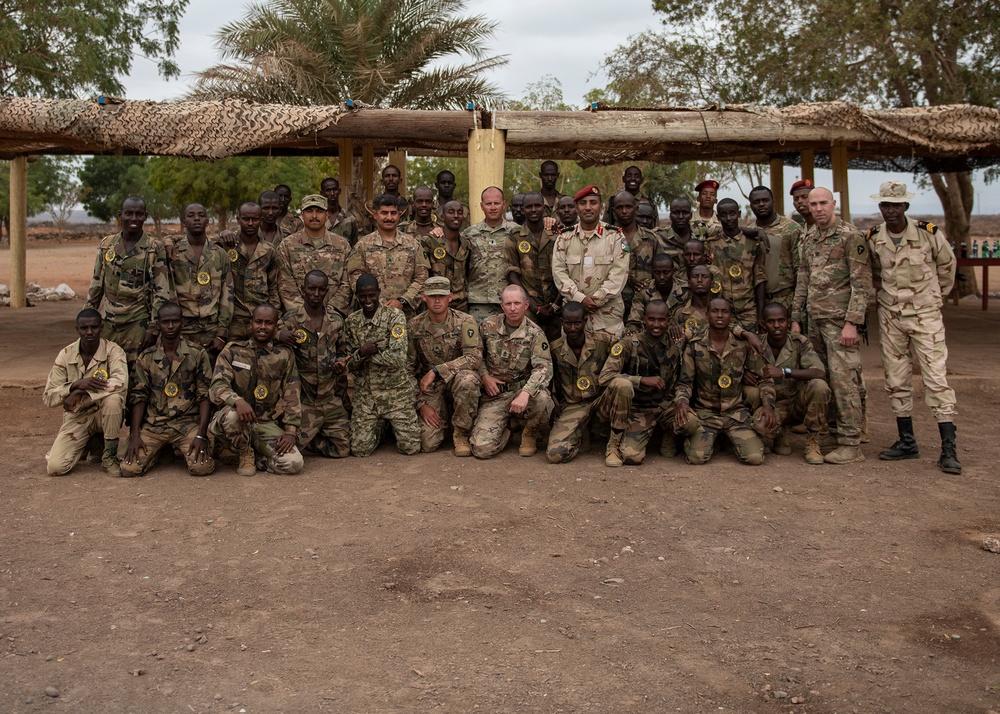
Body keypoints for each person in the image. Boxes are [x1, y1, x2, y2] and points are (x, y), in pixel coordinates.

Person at [866, 181, 961, 474]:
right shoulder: (873, 238)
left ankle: (948, 449)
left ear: (905, 206)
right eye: (885, 205)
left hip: (925, 316)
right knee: (895, 378)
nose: (890, 210)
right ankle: (907, 441)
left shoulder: (928, 234)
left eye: (896, 205)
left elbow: (948, 268)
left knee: (935, 378)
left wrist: (932, 299)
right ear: (880, 207)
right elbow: (875, 274)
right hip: (891, 316)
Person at [792, 187, 873, 464]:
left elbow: (861, 284)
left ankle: (851, 443)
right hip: (814, 322)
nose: (817, 208)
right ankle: (833, 433)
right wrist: (795, 318)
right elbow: (803, 278)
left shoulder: (851, 237)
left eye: (823, 203)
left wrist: (852, 323)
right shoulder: (810, 237)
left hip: (840, 324)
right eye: (813, 204)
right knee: (823, 379)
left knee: (845, 383)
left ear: (833, 203)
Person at [674, 298, 777, 465]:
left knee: (754, 458)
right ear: (707, 315)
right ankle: (699, 440)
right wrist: (682, 403)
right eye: (715, 311)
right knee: (697, 458)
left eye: (725, 311)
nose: (720, 315)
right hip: (706, 413)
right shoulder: (695, 345)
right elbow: (685, 382)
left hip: (735, 413)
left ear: (731, 316)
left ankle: (740, 438)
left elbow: (765, 380)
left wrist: (768, 405)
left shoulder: (743, 345)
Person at [121, 302, 215, 477]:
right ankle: (158, 451)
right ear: (158, 324)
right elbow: (139, 396)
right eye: (165, 322)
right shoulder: (147, 357)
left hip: (187, 424)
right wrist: (134, 435)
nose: (170, 326)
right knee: (129, 469)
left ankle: (173, 448)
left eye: (175, 321)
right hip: (155, 425)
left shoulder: (197, 354)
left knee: (202, 468)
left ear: (183, 323)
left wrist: (202, 434)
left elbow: (204, 395)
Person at [210, 303, 304, 476]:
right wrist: (237, 401)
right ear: (250, 324)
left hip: (263, 423)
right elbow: (217, 386)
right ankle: (242, 451)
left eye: (268, 323)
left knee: (294, 464)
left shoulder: (284, 355)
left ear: (276, 327)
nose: (262, 327)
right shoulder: (233, 351)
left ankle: (256, 459)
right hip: (233, 421)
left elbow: (292, 394)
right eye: (258, 322)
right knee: (232, 416)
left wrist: (291, 431)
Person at [86, 195, 172, 370]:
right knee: (103, 371)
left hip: (137, 323)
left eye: (139, 214)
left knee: (135, 373)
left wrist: (153, 328)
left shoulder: (154, 248)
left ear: (145, 216)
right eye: (129, 213)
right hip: (107, 323)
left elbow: (161, 291)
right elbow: (96, 284)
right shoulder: (106, 245)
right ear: (120, 215)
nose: (133, 218)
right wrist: (87, 316)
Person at [471, 285, 554, 459]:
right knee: (482, 450)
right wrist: (485, 376)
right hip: (496, 394)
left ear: (526, 304)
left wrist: (525, 392)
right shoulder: (487, 326)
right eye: (508, 303)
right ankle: (506, 429)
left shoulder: (535, 333)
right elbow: (475, 357)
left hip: (521, 392)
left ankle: (530, 432)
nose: (513, 308)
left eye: (517, 303)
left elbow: (544, 368)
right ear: (501, 305)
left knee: (542, 399)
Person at [43, 309, 128, 477]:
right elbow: (48, 396)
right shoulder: (66, 355)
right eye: (84, 328)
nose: (89, 332)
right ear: (77, 329)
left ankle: (109, 458)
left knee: (113, 400)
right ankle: (88, 444)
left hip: (104, 415)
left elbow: (121, 381)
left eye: (94, 327)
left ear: (101, 328)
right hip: (78, 416)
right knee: (55, 468)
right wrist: (74, 386)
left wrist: (83, 392)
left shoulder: (113, 351)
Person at [598, 300, 684, 465]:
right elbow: (605, 376)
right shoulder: (630, 344)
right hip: (639, 409)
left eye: (661, 320)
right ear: (644, 320)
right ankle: (614, 444)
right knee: (632, 457)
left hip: (665, 406)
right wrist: (641, 380)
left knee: (692, 423)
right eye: (651, 319)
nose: (656, 325)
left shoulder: (677, 341)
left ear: (669, 320)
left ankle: (670, 433)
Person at [344, 274, 421, 456]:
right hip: (367, 395)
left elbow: (398, 358)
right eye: (363, 296)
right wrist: (360, 353)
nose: (368, 300)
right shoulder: (352, 322)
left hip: (396, 393)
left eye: (372, 295)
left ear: (379, 293)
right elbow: (351, 365)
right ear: (357, 296)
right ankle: (380, 426)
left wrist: (365, 355)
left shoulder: (395, 317)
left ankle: (391, 423)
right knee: (359, 450)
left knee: (410, 448)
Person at [744, 303, 830, 464]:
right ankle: (778, 432)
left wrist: (784, 371)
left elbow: (820, 372)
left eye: (781, 320)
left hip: (798, 402)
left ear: (789, 322)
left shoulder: (799, 342)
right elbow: (759, 379)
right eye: (771, 321)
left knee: (819, 386)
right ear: (763, 324)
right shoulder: (757, 345)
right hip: (774, 405)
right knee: (760, 424)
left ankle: (813, 442)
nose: (777, 326)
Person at [278, 270, 351, 459]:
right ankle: (307, 435)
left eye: (321, 290)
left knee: (343, 450)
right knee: (289, 450)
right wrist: (278, 335)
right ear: (303, 290)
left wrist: (340, 365)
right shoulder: (290, 320)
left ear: (327, 291)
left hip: (329, 399)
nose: (316, 294)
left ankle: (314, 439)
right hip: (305, 401)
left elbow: (343, 353)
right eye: (312, 289)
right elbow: (267, 342)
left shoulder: (336, 321)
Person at [406, 276, 482, 456]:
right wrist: (421, 405)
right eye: (433, 296)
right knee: (427, 443)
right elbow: (406, 369)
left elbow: (474, 358)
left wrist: (437, 370)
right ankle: (446, 420)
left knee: (468, 380)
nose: (437, 300)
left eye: (442, 296)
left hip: (457, 380)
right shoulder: (414, 326)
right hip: (432, 388)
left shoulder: (465, 321)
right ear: (424, 297)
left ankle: (461, 432)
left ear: (450, 297)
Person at [547, 302, 628, 465]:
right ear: (562, 322)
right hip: (574, 406)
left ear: (585, 320)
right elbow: (552, 381)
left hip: (600, 402)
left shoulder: (603, 341)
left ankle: (614, 444)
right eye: (568, 323)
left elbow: (626, 345)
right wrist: (554, 405)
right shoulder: (555, 349)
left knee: (622, 384)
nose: (573, 328)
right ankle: (581, 435)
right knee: (555, 455)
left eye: (577, 323)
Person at [552, 186, 631, 338]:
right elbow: (559, 273)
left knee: (609, 361)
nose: (588, 207)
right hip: (574, 319)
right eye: (583, 203)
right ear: (576, 207)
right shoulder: (564, 238)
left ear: (601, 207)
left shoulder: (616, 237)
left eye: (593, 202)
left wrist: (597, 299)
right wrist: (580, 299)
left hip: (607, 320)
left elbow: (619, 275)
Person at [347, 193, 429, 318]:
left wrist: (402, 301)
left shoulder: (413, 244)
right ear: (375, 214)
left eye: (393, 213)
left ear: (399, 214)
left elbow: (422, 277)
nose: (389, 217)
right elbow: (355, 278)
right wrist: (378, 302)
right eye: (384, 213)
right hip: (373, 315)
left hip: (408, 316)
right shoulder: (362, 245)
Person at [169, 203, 234, 356]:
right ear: (184, 222)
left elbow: (228, 293)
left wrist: (221, 333)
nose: (196, 219)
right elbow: (168, 291)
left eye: (201, 215)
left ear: (207, 221)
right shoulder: (173, 253)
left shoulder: (219, 254)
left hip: (211, 331)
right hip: (182, 330)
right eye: (191, 216)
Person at [277, 194, 353, 315]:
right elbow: (285, 283)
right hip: (298, 317)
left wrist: (332, 309)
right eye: (309, 211)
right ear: (302, 215)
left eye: (319, 211)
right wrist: (303, 313)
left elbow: (347, 282)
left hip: (334, 317)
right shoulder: (287, 245)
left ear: (327, 214)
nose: (314, 216)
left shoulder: (342, 245)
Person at [506, 191, 561, 341]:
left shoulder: (556, 235)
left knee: (556, 349)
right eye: (529, 206)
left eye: (537, 205)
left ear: (544, 208)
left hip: (556, 305)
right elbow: (512, 273)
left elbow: (566, 271)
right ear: (523, 210)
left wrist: (555, 305)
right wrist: (531, 305)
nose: (533, 210)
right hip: (529, 307)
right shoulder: (514, 237)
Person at [704, 198, 766, 331]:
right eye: (724, 215)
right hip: (720, 312)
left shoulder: (752, 244)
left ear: (738, 213)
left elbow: (759, 280)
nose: (728, 218)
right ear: (717, 217)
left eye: (732, 214)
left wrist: (760, 315)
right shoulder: (710, 244)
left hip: (748, 311)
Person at [463, 186, 519, 323]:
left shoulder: (516, 231)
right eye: (488, 204)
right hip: (478, 302)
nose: (493, 207)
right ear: (482, 206)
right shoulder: (469, 233)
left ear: (504, 205)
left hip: (508, 302)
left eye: (497, 203)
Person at [229, 201, 280, 342]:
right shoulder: (228, 246)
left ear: (261, 220)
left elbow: (273, 286)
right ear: (238, 219)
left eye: (255, 219)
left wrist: (275, 316)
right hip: (235, 318)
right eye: (245, 219)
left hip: (261, 318)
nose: (250, 223)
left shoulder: (269, 250)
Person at [749, 186, 801, 310]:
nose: (761, 204)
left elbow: (800, 268)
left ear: (773, 202)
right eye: (756, 202)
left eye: (765, 200)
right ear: (751, 206)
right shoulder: (749, 232)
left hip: (786, 300)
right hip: (756, 302)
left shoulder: (791, 229)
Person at [613, 190, 659, 314]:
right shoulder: (608, 238)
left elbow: (661, 270)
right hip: (614, 305)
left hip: (644, 305)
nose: (624, 211)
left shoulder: (651, 238)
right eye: (619, 207)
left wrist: (650, 285)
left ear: (636, 209)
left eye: (628, 207)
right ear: (613, 211)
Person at [422, 199, 471, 311]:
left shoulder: (466, 243)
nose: (456, 216)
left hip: (461, 305)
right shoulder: (430, 241)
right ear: (443, 217)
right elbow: (422, 273)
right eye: (451, 212)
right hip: (437, 304)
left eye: (459, 212)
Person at [627, 253, 687, 333]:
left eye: (666, 273)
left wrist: (681, 326)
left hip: (677, 334)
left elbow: (692, 317)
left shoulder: (686, 290)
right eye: (657, 273)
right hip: (651, 335)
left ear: (673, 271)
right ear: (652, 272)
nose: (661, 277)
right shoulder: (643, 291)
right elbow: (634, 321)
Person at [653, 197, 709, 280]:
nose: (680, 216)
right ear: (670, 215)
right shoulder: (658, 236)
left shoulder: (701, 231)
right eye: (676, 213)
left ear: (690, 215)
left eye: (685, 213)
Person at [320, 177, 360, 246]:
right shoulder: (317, 218)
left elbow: (354, 248)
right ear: (322, 193)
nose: (332, 193)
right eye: (328, 190)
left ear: (339, 191)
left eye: (334, 190)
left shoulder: (350, 219)